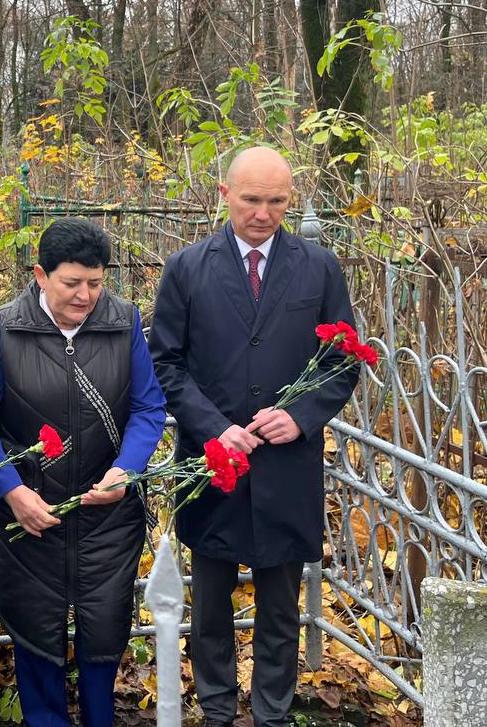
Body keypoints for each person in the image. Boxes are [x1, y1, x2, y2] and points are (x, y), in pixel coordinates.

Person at [148, 146, 358, 727]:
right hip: (213, 465)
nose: (264, 214)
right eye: (251, 200)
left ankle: (272, 714)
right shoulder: (187, 268)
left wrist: (303, 415)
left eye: (277, 201)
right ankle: (216, 710)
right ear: (224, 194)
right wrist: (215, 428)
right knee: (210, 606)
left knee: (279, 612)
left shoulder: (318, 267)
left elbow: (342, 360)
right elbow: (165, 363)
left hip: (287, 469)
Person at [0, 217, 166, 727]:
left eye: (95, 283)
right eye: (71, 283)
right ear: (40, 275)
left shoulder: (123, 323)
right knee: (36, 637)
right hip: (30, 518)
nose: (85, 295)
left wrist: (126, 470)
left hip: (107, 518)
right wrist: (10, 492)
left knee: (103, 637)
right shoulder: (6, 329)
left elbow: (147, 409)